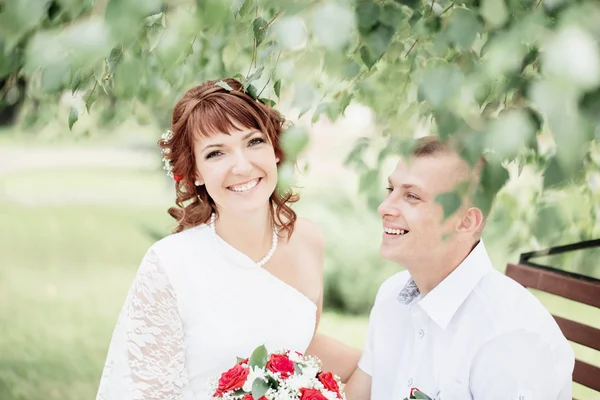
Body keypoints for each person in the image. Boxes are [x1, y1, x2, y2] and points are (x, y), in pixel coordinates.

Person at [96, 78, 360, 400]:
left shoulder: (307, 240)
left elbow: (297, 349)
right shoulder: (171, 263)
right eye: (216, 153)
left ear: (276, 150)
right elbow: (145, 391)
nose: (242, 166)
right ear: (194, 172)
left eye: (253, 142)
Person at [344, 136, 575, 400]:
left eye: (412, 196)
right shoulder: (391, 296)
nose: (384, 207)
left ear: (466, 222)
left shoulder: (510, 337)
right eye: (390, 190)